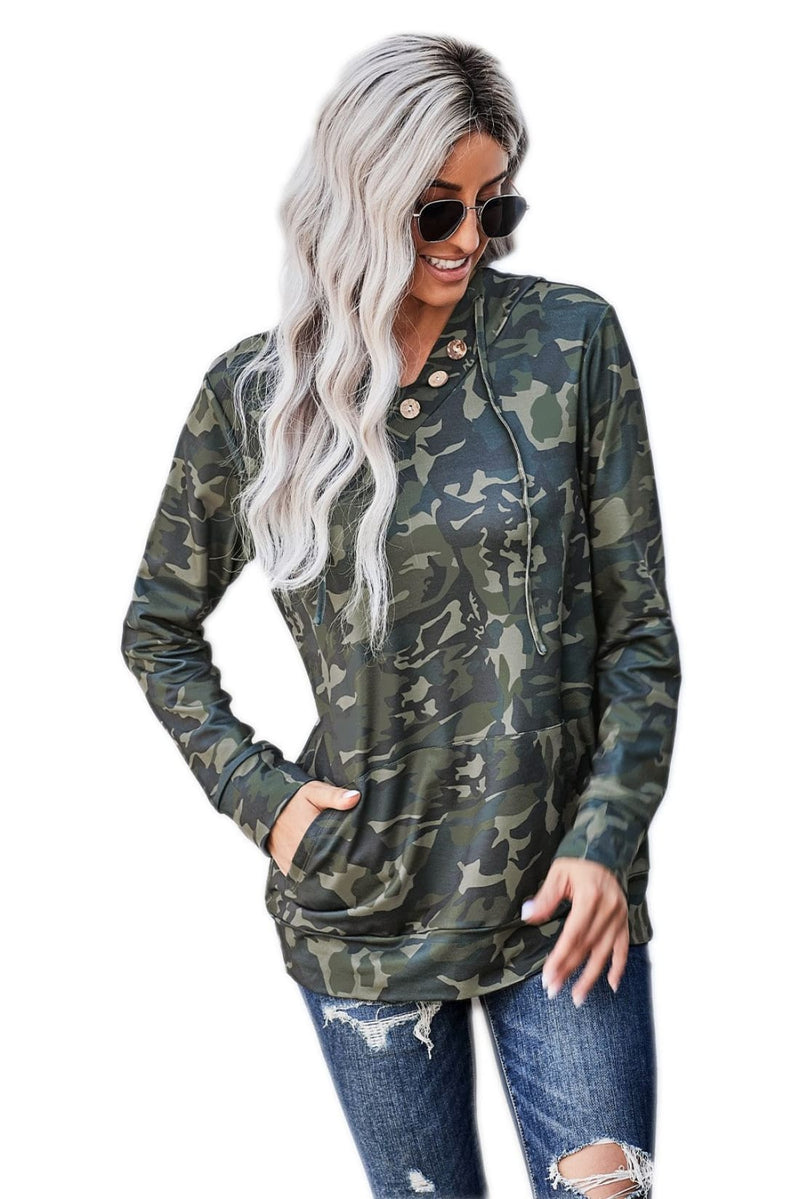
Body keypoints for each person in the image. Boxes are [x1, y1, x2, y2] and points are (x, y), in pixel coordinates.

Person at [120, 32, 680, 1199]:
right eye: (436, 211)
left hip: (559, 898)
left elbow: (636, 630)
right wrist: (264, 798)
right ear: (359, 196)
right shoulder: (256, 398)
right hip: (362, 909)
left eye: (493, 205)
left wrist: (605, 836)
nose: (469, 239)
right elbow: (157, 626)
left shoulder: (569, 342)